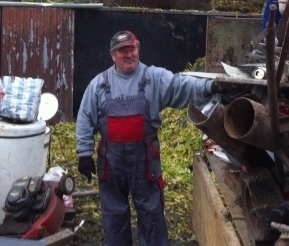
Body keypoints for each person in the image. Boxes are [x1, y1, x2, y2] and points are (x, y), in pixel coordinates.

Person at [75, 30, 217, 246]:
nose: (128, 54)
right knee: (114, 215)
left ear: (138, 50)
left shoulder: (154, 78)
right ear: (113, 55)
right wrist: (84, 153)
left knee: (151, 213)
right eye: (122, 51)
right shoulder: (99, 84)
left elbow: (183, 84)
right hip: (111, 164)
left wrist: (211, 86)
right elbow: (85, 118)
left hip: (144, 162)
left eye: (131, 49)